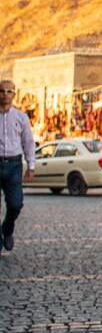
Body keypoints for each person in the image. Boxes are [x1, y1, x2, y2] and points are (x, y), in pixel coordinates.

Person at [0, 80, 36, 255]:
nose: (5, 95)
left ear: (14, 94)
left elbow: (28, 142)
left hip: (14, 165)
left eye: (9, 91)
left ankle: (7, 229)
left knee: (15, 204)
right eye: (2, 91)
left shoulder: (21, 117)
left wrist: (31, 165)